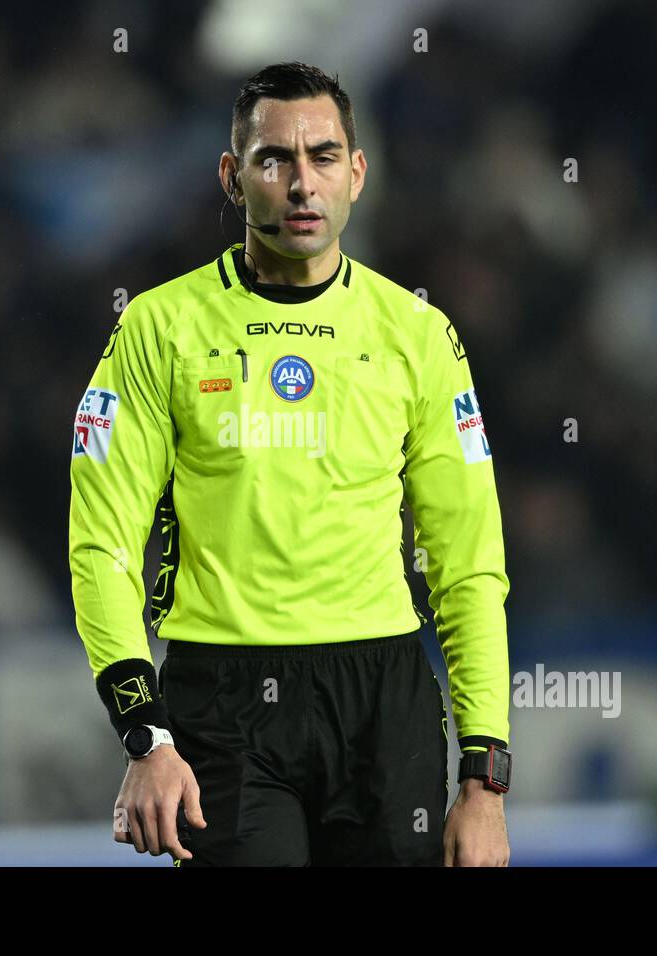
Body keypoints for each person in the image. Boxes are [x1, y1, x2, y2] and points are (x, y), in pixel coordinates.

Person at [69, 62, 511, 866]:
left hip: (384, 700)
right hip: (224, 704)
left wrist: (484, 779)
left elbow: (469, 563)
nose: (302, 183)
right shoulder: (156, 330)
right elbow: (101, 548)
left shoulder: (418, 335)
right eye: (276, 160)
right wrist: (144, 738)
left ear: (358, 173)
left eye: (324, 157)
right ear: (234, 179)